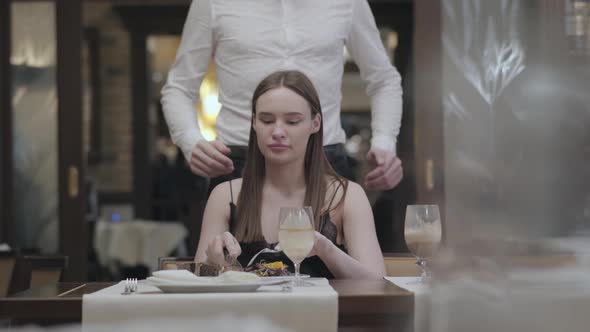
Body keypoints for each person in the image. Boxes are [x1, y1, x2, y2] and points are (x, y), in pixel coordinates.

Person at [161, 0, 403, 191]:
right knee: (230, 255)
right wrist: (191, 142)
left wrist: (384, 143)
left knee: (341, 255)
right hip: (241, 165)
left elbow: (384, 80)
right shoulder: (213, 2)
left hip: (324, 161)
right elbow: (179, 88)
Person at [194, 71, 385, 279]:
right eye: (267, 120)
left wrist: (325, 249)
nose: (278, 131)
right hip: (246, 312)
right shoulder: (225, 195)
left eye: (292, 121)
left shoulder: (347, 196)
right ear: (254, 123)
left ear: (316, 123)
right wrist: (215, 264)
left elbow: (377, 285)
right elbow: (197, 283)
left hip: (323, 312)